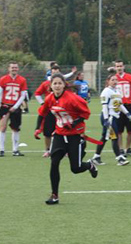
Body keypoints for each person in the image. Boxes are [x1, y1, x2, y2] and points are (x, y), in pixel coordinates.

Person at [36, 73, 98, 205]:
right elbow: (42, 113)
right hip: (59, 135)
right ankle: (54, 195)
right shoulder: (49, 98)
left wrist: (74, 123)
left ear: (64, 85)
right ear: (50, 86)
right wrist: (38, 129)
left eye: (60, 83)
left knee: (75, 168)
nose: (57, 86)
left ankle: (90, 165)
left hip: (75, 135)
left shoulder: (72, 99)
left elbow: (86, 113)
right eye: (55, 83)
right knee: (54, 163)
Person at [91, 74, 131, 167]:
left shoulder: (116, 91)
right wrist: (106, 119)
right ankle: (119, 158)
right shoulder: (106, 91)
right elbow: (105, 106)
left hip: (114, 117)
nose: (115, 81)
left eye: (116, 80)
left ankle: (96, 157)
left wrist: (127, 113)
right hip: (109, 117)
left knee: (105, 138)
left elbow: (120, 105)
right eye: (112, 80)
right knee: (114, 137)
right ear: (108, 81)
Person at [0, 61, 29, 157]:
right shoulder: (3, 79)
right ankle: (1, 150)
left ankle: (15, 150)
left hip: (15, 107)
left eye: (16, 67)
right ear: (8, 68)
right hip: (5, 106)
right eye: (12, 67)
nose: (14, 69)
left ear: (18, 69)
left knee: (16, 128)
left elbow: (23, 95)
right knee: (2, 128)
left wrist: (16, 106)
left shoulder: (22, 80)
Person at [114, 59, 131, 157]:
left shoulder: (130, 77)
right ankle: (121, 149)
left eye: (120, 66)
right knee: (119, 130)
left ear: (124, 66)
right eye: (117, 66)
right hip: (118, 107)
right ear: (115, 67)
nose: (119, 68)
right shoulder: (113, 78)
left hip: (129, 105)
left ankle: (128, 148)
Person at [33, 65, 61, 157]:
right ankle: (48, 150)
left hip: (61, 111)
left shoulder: (64, 84)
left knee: (62, 131)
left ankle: (63, 150)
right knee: (47, 132)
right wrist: (42, 103)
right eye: (53, 72)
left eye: (57, 72)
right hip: (49, 110)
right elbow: (37, 93)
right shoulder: (46, 84)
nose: (55, 74)